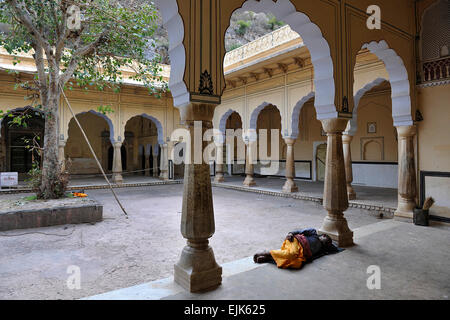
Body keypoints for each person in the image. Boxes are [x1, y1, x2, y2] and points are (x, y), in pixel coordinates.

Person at [253, 228, 342, 269]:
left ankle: (267, 258)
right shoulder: (314, 233)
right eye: (327, 239)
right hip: (295, 242)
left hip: (301, 253)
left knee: (297, 263)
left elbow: (335, 249)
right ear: (323, 235)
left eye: (328, 243)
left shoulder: (322, 249)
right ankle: (266, 253)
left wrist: (330, 245)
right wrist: (291, 233)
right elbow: (300, 231)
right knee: (292, 254)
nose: (327, 242)